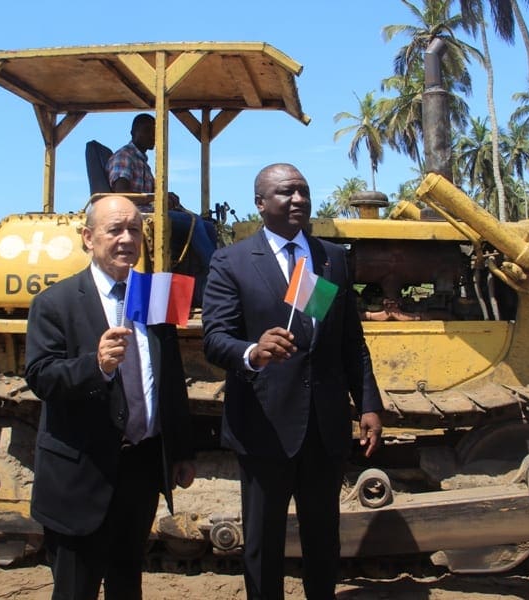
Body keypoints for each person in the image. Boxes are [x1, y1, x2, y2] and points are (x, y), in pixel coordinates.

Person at [201, 163, 383, 599]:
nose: (299, 199)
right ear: (260, 204)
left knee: (323, 539)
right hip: (263, 427)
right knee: (264, 544)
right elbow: (215, 339)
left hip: (324, 428)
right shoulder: (232, 261)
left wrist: (368, 403)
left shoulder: (330, 258)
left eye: (303, 190)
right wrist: (253, 351)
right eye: (286, 192)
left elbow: (349, 341)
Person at [25, 194, 196, 600]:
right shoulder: (55, 302)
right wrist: (96, 366)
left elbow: (170, 379)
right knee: (75, 589)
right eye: (114, 229)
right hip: (80, 478)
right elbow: (41, 377)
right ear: (88, 238)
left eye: (134, 230)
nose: (126, 239)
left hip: (139, 472)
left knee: (127, 583)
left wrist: (181, 451)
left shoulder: (152, 295)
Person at [106, 113, 217, 295]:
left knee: (208, 226)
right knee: (193, 222)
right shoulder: (124, 157)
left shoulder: (142, 162)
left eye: (155, 132)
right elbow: (121, 194)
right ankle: (218, 273)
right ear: (133, 132)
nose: (153, 136)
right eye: (147, 131)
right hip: (137, 215)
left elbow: (153, 194)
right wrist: (156, 198)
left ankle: (205, 288)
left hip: (150, 212)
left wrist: (168, 198)